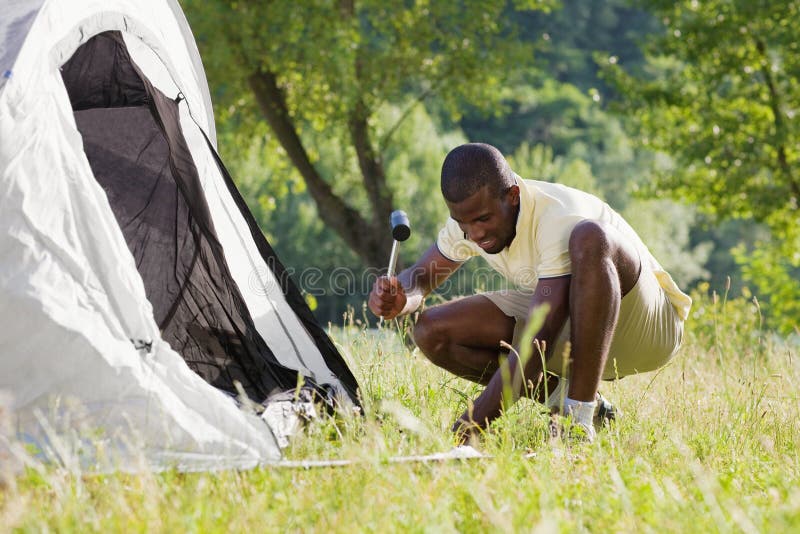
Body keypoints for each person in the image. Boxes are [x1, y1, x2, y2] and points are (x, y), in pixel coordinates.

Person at [368, 143, 691, 443]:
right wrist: (404, 297)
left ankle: (577, 422)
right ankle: (575, 401)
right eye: (463, 222)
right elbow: (422, 276)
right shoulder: (469, 221)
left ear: (511, 195)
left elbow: (540, 338)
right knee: (432, 332)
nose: (475, 233)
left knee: (590, 237)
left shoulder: (558, 216)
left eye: (483, 219)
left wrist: (469, 426)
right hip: (573, 324)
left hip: (645, 330)